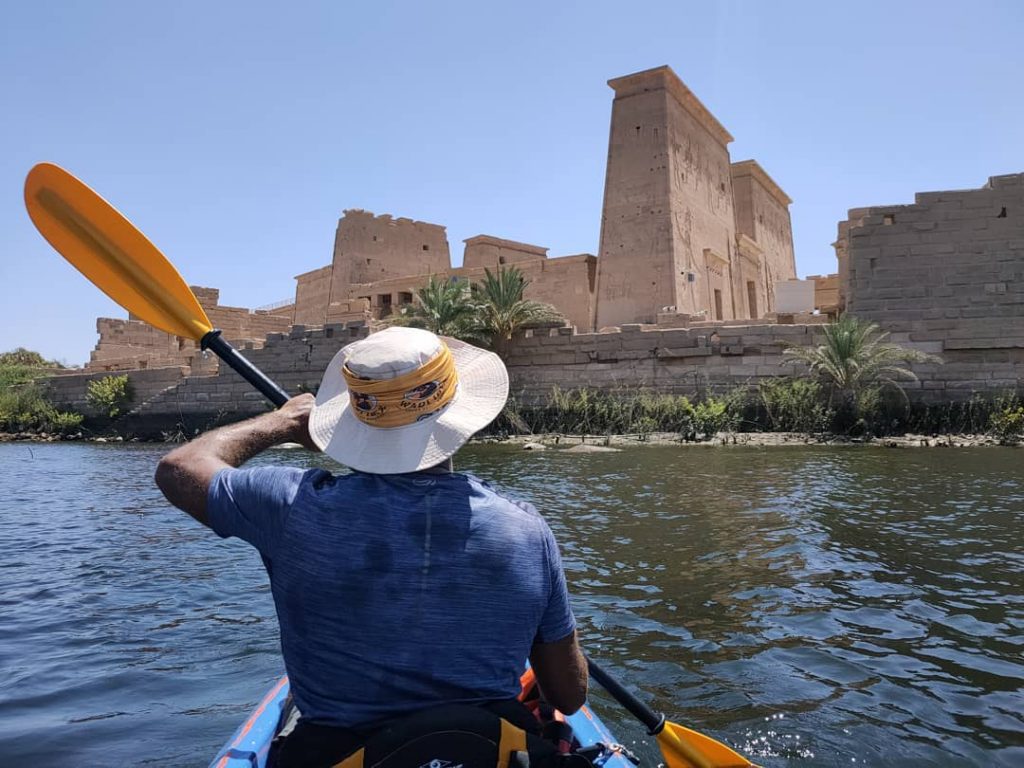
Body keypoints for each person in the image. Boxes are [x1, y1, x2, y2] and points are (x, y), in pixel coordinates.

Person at [155, 326, 587, 767]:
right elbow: (568, 697)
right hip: (486, 752)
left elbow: (179, 468)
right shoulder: (528, 531)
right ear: (464, 419)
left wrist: (282, 422)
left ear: (351, 421)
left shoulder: (291, 507)